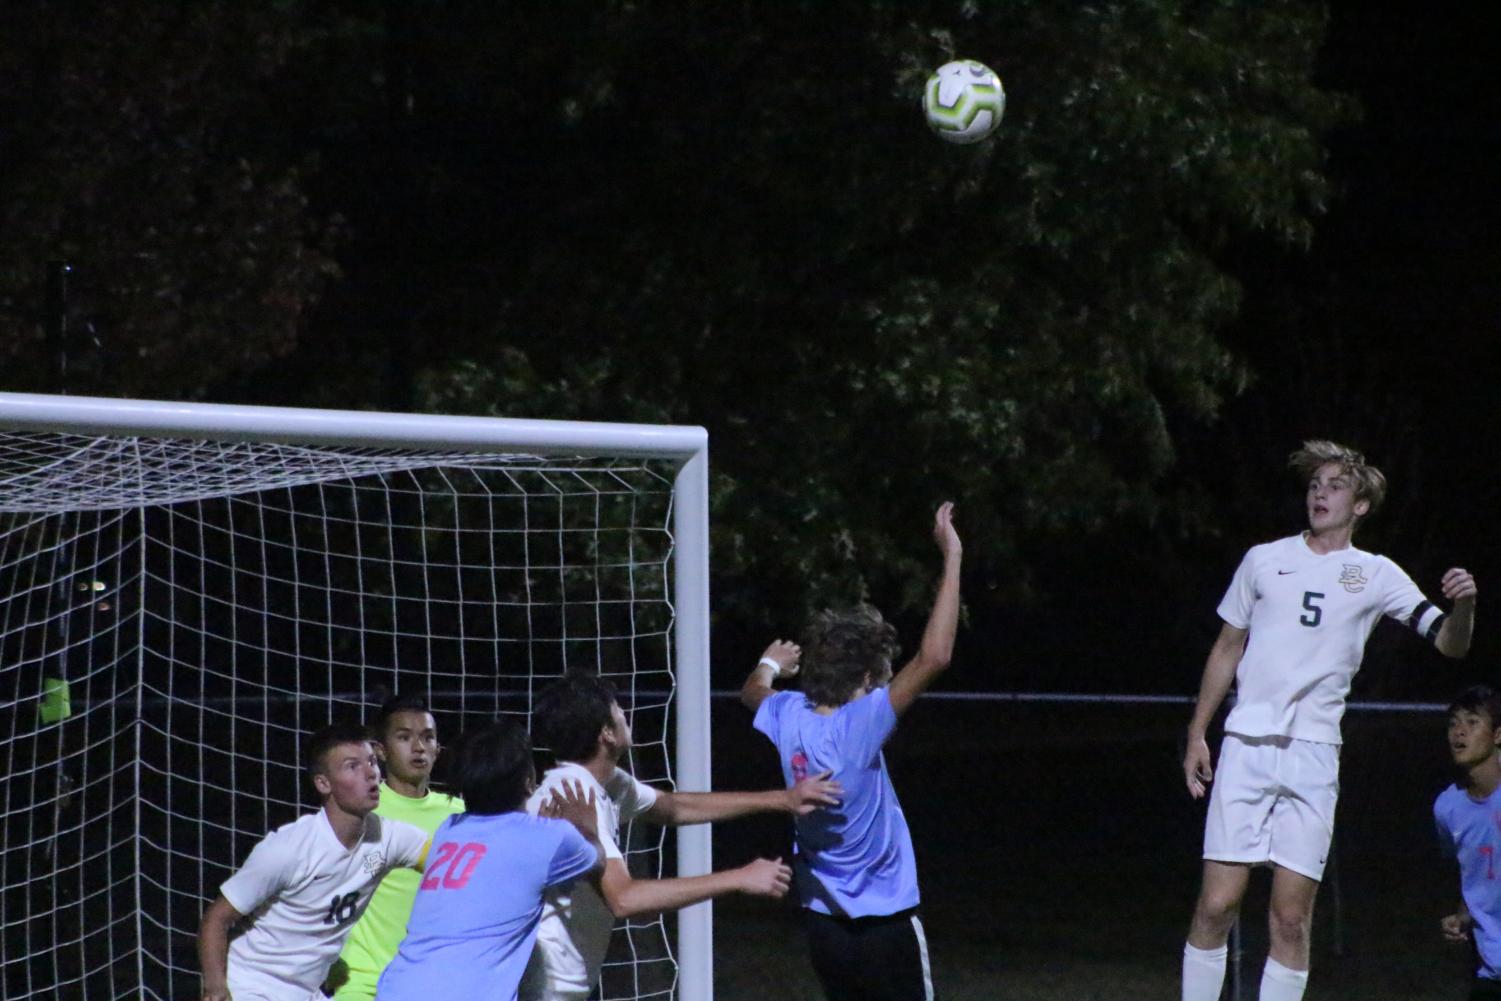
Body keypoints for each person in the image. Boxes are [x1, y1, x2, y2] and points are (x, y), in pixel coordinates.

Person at [1180, 440, 1478, 1001]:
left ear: (1361, 504)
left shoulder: (1375, 573)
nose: (1320, 492)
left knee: (1290, 919)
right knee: (1217, 904)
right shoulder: (1264, 559)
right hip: (1246, 745)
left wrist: (1464, 608)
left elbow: (1449, 644)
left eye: (1335, 484)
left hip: (1313, 755)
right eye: (1315, 483)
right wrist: (1198, 731)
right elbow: (1226, 646)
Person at [740, 501, 962, 1001]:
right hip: (886, 930)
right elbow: (936, 656)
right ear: (866, 678)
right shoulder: (859, 727)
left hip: (824, 929)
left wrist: (770, 663)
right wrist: (952, 556)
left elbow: (753, 692)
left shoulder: (788, 715)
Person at [519, 671, 828, 1001]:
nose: (627, 715)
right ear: (607, 734)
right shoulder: (575, 798)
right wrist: (740, 877)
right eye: (619, 711)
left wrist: (784, 799)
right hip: (541, 990)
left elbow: (673, 807)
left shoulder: (607, 783)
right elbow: (625, 898)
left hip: (564, 986)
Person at [374, 717, 604, 1000]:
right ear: (529, 781)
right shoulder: (549, 837)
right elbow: (598, 862)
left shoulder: (449, 829)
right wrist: (588, 829)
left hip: (397, 988)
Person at [197, 722, 430, 1001]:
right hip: (252, 986)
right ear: (323, 783)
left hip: (307, 993)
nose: (370, 773)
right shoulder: (287, 849)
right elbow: (216, 920)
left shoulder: (389, 837)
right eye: (352, 766)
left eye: (371, 762)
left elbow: (450, 864)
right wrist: (216, 988)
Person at [328, 694, 465, 1001]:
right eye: (404, 737)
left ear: (438, 750)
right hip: (362, 982)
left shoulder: (459, 814)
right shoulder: (358, 810)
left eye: (427, 738)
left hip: (434, 983)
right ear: (381, 751)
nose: (418, 747)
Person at [1435, 685, 1501, 1000]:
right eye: (1453, 723)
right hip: (1489, 967)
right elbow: (1471, 869)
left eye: (1472, 722)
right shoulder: (1448, 808)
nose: (1459, 732)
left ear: (1498, 735)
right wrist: (1463, 913)